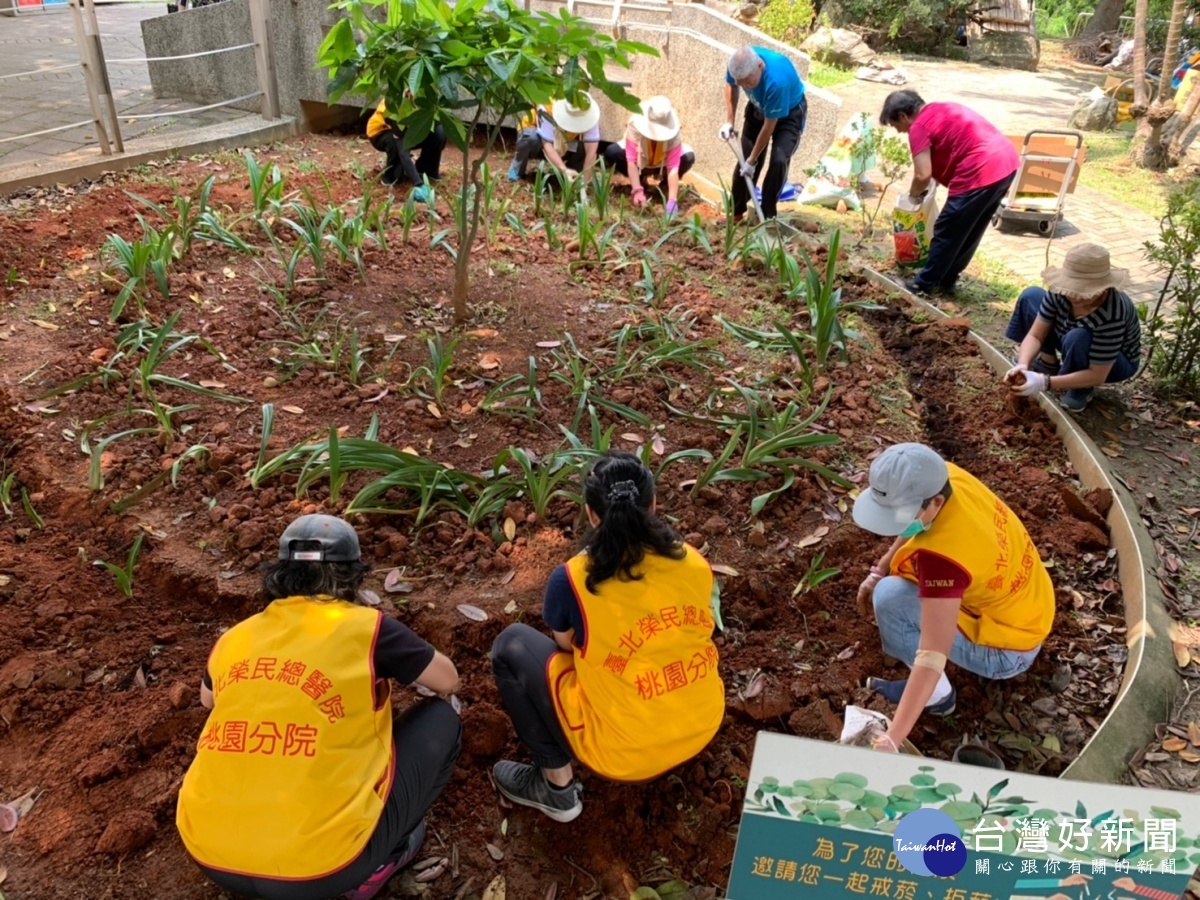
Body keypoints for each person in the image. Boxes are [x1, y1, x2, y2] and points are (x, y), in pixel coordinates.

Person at [176, 515, 461, 900]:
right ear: (352, 577)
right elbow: (448, 680)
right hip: (323, 870)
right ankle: (376, 866)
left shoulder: (235, 638)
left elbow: (208, 700)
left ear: (280, 574)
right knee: (442, 719)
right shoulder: (370, 629)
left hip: (208, 854)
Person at [489, 451, 724, 822]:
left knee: (511, 645)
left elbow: (566, 647)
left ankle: (556, 788)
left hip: (622, 753)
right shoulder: (693, 561)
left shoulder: (573, 579)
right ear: (654, 503)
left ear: (591, 513)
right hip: (701, 724)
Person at [851, 444, 1054, 753]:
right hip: (1030, 608)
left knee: (890, 599)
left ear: (936, 501)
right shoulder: (943, 476)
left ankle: (940, 699)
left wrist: (893, 736)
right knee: (888, 584)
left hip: (1009, 649)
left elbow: (932, 655)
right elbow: (915, 523)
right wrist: (880, 567)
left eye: (900, 516)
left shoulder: (944, 559)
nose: (895, 526)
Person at [879, 90, 1019, 297]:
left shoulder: (918, 127)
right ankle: (948, 277)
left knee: (948, 226)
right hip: (1006, 163)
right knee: (971, 227)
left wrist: (913, 197)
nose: (900, 132)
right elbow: (949, 145)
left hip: (980, 169)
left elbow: (922, 175)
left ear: (903, 116)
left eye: (896, 126)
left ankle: (922, 284)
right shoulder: (940, 108)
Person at [1003, 243, 1142, 412]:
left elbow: (1098, 375)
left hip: (1113, 363)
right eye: (1071, 288)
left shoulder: (1113, 313)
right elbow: (1035, 335)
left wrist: (1045, 382)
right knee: (1031, 296)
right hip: (1072, 335)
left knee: (1078, 337)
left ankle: (1081, 388)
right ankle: (1048, 363)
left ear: (1103, 288)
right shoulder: (1061, 291)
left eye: (1084, 292)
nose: (1074, 296)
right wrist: (1023, 364)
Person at [720, 45, 807, 222]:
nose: (746, 87)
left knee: (779, 160)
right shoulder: (739, 64)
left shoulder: (776, 82)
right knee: (743, 159)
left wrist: (752, 160)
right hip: (759, 107)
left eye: (749, 83)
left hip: (789, 113)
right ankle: (736, 212)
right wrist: (730, 121)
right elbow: (731, 85)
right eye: (742, 83)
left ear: (760, 66)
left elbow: (769, 126)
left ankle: (767, 215)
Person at [601, 95, 695, 216]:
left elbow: (673, 169)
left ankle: (665, 185)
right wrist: (637, 190)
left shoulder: (674, 133)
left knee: (688, 157)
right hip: (641, 161)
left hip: (663, 163)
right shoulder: (635, 125)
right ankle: (640, 181)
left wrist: (672, 200)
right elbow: (631, 161)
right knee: (612, 152)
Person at [507, 93, 600, 183]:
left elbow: (591, 152)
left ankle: (573, 177)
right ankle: (516, 171)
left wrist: (584, 182)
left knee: (581, 148)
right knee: (530, 138)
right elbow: (547, 144)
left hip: (565, 141)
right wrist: (564, 170)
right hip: (539, 138)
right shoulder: (547, 106)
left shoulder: (590, 114)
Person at [366, 100, 445, 201]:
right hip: (380, 133)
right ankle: (390, 176)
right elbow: (403, 152)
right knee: (394, 146)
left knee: (438, 132)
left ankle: (427, 169)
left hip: (407, 128)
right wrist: (419, 184)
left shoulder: (424, 101)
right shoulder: (394, 110)